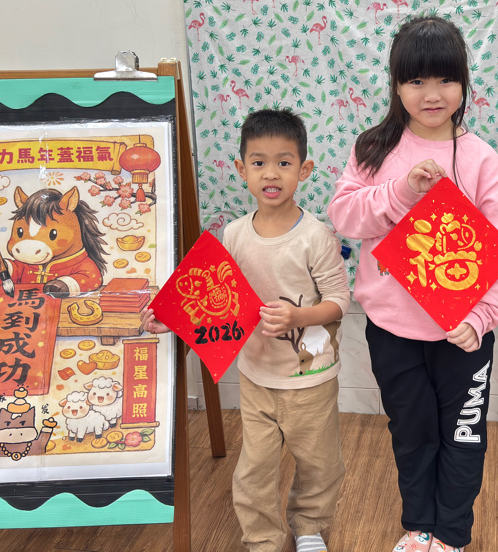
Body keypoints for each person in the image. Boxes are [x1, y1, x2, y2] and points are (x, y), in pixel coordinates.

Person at [328, 16, 498, 552]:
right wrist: (401, 192)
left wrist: (480, 315)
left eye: (445, 80)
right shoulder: (373, 148)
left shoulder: (482, 161)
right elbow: (344, 216)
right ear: (396, 85)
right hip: (392, 329)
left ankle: (452, 535)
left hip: (464, 335)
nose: (432, 95)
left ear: (464, 83)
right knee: (411, 434)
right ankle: (419, 527)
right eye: (416, 81)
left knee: (463, 436)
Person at [142, 108, 349, 552]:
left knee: (320, 463)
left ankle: (309, 527)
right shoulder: (233, 235)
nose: (270, 173)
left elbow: (339, 301)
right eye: (258, 162)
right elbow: (210, 301)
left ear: (304, 170)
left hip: (310, 380)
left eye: (284, 162)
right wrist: (173, 320)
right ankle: (262, 539)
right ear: (241, 170)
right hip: (255, 377)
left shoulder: (316, 237)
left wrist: (297, 317)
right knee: (253, 470)